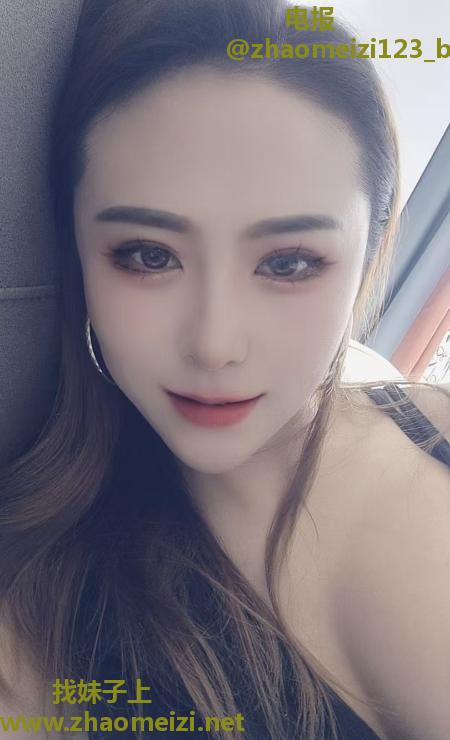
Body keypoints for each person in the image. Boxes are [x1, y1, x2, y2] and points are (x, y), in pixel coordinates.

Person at [0, 1, 449, 739]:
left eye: (288, 263)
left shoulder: (434, 423)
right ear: (76, 253)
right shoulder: (35, 608)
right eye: (148, 255)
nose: (213, 345)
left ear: (368, 255)